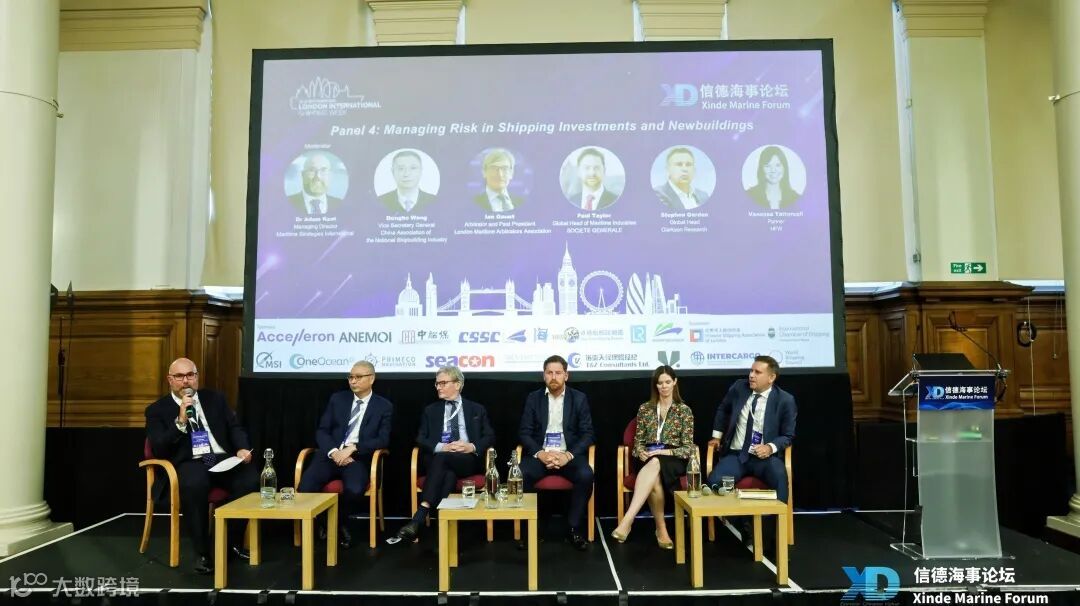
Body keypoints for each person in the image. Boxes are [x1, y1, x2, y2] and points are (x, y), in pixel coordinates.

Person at [144, 358, 259, 575]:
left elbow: (234, 427)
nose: (186, 381)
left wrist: (242, 448)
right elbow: (158, 447)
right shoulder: (156, 410)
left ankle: (228, 543)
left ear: (197, 377)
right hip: (188, 462)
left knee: (250, 480)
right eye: (180, 376)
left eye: (190, 375)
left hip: (218, 457)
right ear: (170, 380)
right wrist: (180, 422)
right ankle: (203, 552)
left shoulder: (215, 399)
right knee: (195, 484)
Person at [392, 366, 495, 543]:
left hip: (466, 460)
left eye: (443, 383)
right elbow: (420, 438)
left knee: (443, 461)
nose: (438, 387)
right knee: (448, 474)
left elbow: (490, 436)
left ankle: (420, 516)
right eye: (437, 384)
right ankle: (443, 530)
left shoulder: (476, 409)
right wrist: (442, 447)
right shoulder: (431, 410)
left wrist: (471, 446)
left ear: (458, 384)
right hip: (439, 459)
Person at [297, 360, 392, 549]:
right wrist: (334, 452)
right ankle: (329, 523)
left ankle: (337, 522)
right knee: (305, 487)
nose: (353, 381)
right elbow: (322, 431)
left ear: (371, 379)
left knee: (355, 490)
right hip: (330, 455)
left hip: (357, 458)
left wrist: (354, 448)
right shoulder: (338, 399)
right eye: (350, 377)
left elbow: (382, 439)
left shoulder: (383, 406)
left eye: (358, 377)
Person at [610, 365, 695, 549]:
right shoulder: (645, 409)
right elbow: (638, 442)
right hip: (648, 457)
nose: (664, 386)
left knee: (656, 462)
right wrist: (640, 451)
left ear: (675, 382)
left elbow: (688, 448)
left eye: (667, 382)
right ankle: (661, 529)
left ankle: (627, 521)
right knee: (654, 471)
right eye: (660, 383)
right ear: (655, 385)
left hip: (673, 458)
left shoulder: (684, 411)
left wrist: (662, 452)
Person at [518, 355, 595, 551]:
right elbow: (524, 432)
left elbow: (588, 434)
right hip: (541, 455)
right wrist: (540, 453)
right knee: (521, 473)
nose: (554, 377)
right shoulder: (533, 398)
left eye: (558, 373)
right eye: (549, 373)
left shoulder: (578, 398)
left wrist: (567, 455)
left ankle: (573, 528)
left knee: (586, 475)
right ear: (543, 375)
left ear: (566, 375)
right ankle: (533, 529)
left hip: (568, 455)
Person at [707, 355, 796, 504]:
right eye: (751, 371)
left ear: (771, 377)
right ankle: (729, 518)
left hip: (766, 458)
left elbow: (788, 435)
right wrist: (717, 437)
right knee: (713, 482)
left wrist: (770, 447)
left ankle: (776, 518)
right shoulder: (739, 388)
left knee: (780, 479)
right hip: (737, 455)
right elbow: (723, 409)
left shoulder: (785, 400)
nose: (751, 375)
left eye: (757, 372)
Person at [377, 150, 437, 214]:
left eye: (413, 168)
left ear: (421, 171)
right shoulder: (380, 201)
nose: (407, 174)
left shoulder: (434, 201)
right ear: (393, 172)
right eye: (401, 169)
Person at [473, 148, 524, 213]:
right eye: (494, 168)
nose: (500, 174)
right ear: (484, 172)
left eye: (504, 168)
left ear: (511, 173)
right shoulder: (474, 202)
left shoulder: (520, 202)